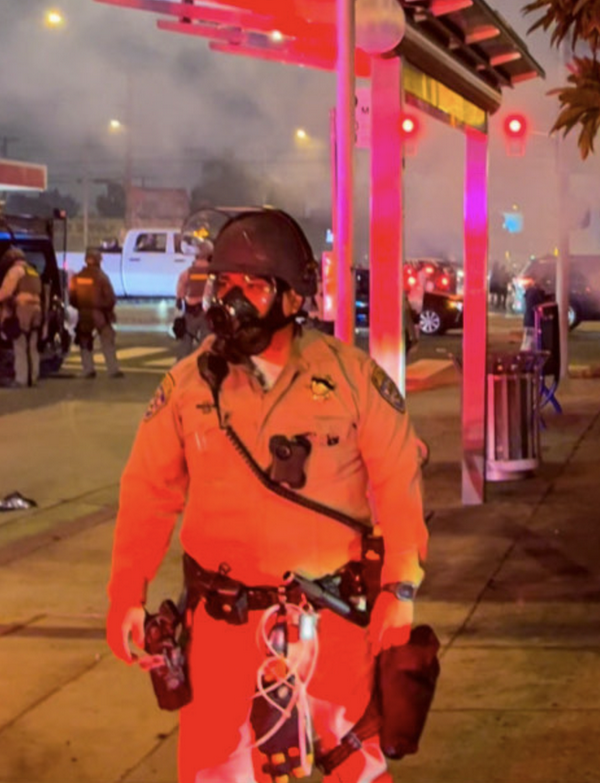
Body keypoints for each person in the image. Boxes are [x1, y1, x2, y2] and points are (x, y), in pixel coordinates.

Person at [106, 208, 429, 783]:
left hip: (330, 627)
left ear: (292, 297)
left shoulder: (353, 379)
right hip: (220, 634)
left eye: (252, 286)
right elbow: (147, 495)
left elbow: (398, 482)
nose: (231, 300)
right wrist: (126, 594)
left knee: (349, 764)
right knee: (215, 769)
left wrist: (400, 588)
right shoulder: (187, 387)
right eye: (223, 284)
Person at [0, 247, 44, 387]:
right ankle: (33, 377)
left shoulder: (15, 271)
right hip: (36, 309)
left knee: (20, 344)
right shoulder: (32, 271)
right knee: (32, 345)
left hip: (22, 309)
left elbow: (7, 291)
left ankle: (21, 379)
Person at [70, 247, 123, 379]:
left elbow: (72, 297)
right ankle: (113, 369)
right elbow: (110, 298)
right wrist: (108, 311)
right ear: (99, 260)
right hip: (100, 314)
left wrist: (80, 307)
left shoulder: (77, 277)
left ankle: (88, 369)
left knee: (85, 341)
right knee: (107, 340)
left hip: (83, 314)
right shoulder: (101, 277)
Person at [175, 241, 213, 360]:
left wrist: (179, 300)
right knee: (206, 340)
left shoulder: (188, 272)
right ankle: (204, 363)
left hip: (191, 309)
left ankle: (181, 365)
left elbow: (181, 287)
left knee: (186, 339)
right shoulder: (212, 272)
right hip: (207, 310)